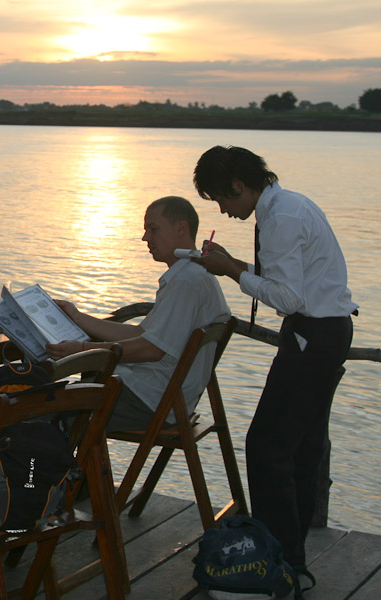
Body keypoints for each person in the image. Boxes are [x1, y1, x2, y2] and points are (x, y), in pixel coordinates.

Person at [192, 145, 356, 572]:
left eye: (222, 198)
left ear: (239, 185)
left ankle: (274, 555)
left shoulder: (280, 217)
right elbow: (286, 278)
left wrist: (230, 271)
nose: (224, 210)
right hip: (325, 332)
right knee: (300, 448)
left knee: (266, 446)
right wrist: (232, 262)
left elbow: (287, 296)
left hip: (311, 335)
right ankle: (289, 557)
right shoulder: (289, 204)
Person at [46, 196, 230, 432]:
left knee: (45, 410)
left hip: (153, 401)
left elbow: (151, 349)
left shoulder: (187, 282)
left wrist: (82, 351)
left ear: (181, 229)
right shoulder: (193, 275)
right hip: (162, 396)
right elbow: (141, 333)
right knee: (62, 398)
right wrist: (78, 317)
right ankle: (73, 466)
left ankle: (54, 468)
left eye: (153, 230)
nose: (145, 238)